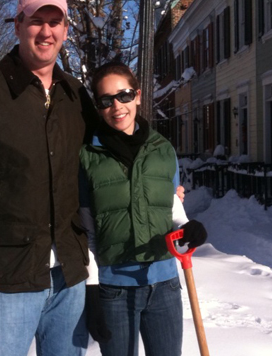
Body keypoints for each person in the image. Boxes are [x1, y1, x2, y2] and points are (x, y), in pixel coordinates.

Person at [0, 0, 98, 355]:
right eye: (36, 21)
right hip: (5, 277)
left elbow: (105, 157)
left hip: (68, 273)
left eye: (55, 22)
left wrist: (161, 180)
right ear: (17, 26)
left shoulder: (74, 94)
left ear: (66, 31)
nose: (46, 31)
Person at [79, 62, 208, 356]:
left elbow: (172, 207)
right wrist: (93, 290)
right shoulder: (87, 157)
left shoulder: (163, 149)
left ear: (137, 95)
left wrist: (188, 228)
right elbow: (86, 230)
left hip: (164, 284)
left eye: (123, 95)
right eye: (105, 100)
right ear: (98, 107)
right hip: (113, 289)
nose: (117, 106)